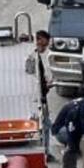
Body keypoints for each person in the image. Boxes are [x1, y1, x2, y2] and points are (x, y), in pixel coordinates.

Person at [36, 30, 53, 159]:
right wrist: (46, 86)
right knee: (46, 125)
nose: (45, 48)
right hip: (40, 99)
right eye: (44, 45)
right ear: (40, 40)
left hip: (41, 97)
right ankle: (45, 152)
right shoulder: (35, 59)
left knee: (46, 124)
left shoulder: (36, 59)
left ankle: (45, 151)